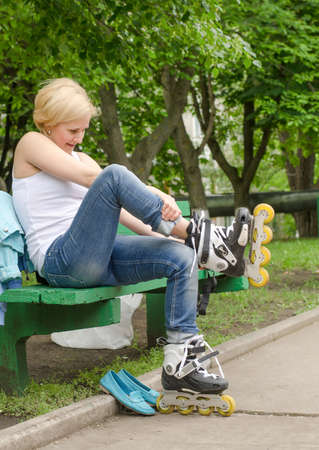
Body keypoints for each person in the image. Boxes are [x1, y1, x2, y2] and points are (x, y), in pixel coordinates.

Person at [12, 78, 251, 403]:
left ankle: (180, 362)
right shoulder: (30, 145)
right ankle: (203, 236)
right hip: (61, 261)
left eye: (83, 130)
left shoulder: (82, 160)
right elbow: (100, 180)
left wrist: (175, 239)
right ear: (48, 123)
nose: (79, 138)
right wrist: (156, 196)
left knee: (180, 258)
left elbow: (129, 216)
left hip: (97, 256)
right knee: (113, 174)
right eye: (72, 131)